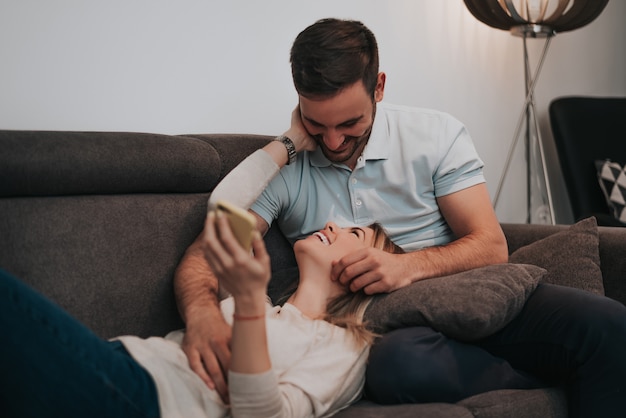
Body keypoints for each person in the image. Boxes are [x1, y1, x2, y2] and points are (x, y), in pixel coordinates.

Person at [175, 17, 626, 417]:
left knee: (606, 324)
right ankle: (532, 378)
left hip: (472, 296)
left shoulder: (435, 136)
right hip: (392, 329)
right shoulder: (288, 170)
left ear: (380, 87)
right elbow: (212, 243)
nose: (332, 142)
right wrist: (201, 314)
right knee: (399, 366)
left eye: (349, 123)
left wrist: (405, 266)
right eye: (317, 124)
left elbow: (490, 244)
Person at [0, 217, 405, 417]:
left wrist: (246, 306)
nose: (332, 223)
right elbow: (226, 212)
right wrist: (288, 145)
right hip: (121, 361)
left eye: (355, 234)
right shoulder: (262, 301)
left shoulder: (343, 345)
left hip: (150, 399)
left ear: (366, 273)